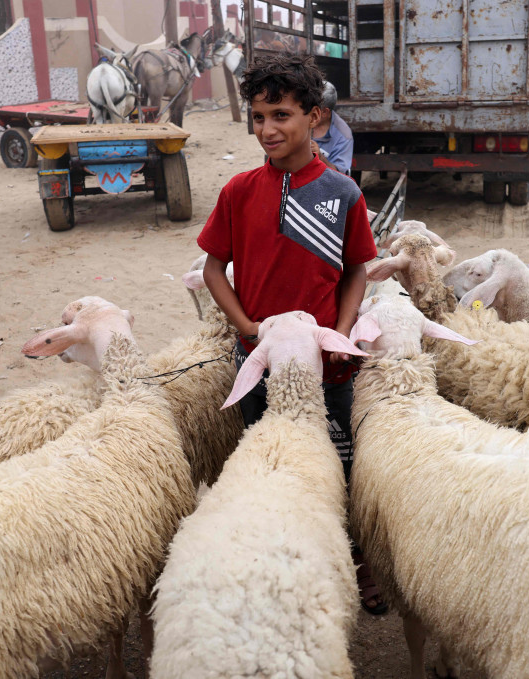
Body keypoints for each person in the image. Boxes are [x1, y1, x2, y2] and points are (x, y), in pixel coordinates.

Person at [196, 53, 387, 615]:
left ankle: (357, 560)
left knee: (344, 462)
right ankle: (279, 558)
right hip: (256, 362)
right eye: (257, 117)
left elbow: (356, 268)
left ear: (314, 116)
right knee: (268, 460)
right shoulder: (238, 191)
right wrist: (249, 330)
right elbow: (213, 268)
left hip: (328, 364)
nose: (267, 130)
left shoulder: (342, 193)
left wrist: (340, 334)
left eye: (280, 115)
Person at [310, 81, 353, 175]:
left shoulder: (343, 136)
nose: (307, 110)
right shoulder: (301, 119)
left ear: (325, 112)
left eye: (312, 107)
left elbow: (340, 176)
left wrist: (320, 157)